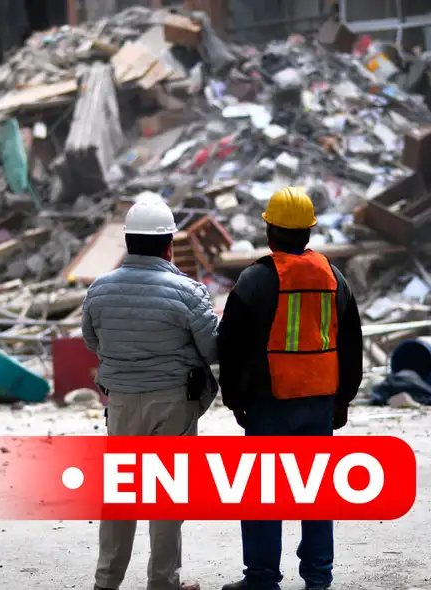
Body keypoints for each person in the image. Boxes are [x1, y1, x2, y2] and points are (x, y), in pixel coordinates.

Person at [216, 187, 364, 590]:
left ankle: (262, 578)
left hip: (269, 403)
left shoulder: (255, 279)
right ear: (308, 232)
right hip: (320, 401)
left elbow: (230, 344)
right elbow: (351, 341)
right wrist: (344, 398)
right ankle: (318, 577)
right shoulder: (333, 277)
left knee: (264, 492)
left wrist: (234, 398)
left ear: (270, 231)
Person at [82, 195, 219, 590]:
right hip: (173, 401)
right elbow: (213, 349)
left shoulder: (99, 290)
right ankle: (163, 582)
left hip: (122, 401)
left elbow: (92, 341)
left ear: (128, 242)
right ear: (169, 245)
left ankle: (107, 581)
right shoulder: (188, 292)